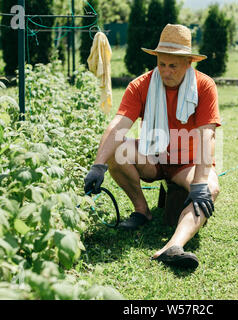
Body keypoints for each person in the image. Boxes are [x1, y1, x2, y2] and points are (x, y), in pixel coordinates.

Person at [84, 24, 221, 269]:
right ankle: (141, 211)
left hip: (187, 163)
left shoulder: (204, 86)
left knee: (210, 189)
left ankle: (174, 246)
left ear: (189, 63)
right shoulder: (141, 85)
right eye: (162, 64)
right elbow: (118, 126)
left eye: (173, 66)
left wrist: (199, 183)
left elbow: (207, 136)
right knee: (118, 150)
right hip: (154, 156)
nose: (166, 72)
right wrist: (98, 165)